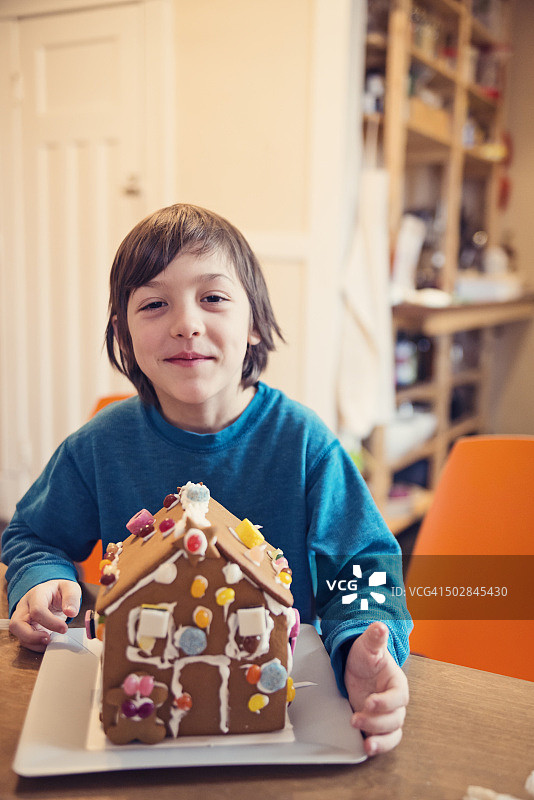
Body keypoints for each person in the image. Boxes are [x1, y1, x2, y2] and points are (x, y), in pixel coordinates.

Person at [2, 203, 411, 756]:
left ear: (255, 323)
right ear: (123, 334)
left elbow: (363, 569)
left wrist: (360, 646)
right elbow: (33, 536)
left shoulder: (304, 445)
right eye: (154, 303)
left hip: (281, 723)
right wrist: (38, 584)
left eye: (213, 297)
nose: (186, 323)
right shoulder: (101, 445)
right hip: (133, 737)